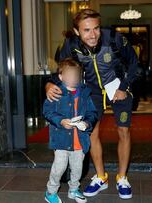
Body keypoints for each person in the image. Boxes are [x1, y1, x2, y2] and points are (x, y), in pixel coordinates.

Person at [45, 9, 138, 199]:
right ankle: (101, 177)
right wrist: (49, 84)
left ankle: (122, 177)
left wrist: (124, 87)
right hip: (92, 92)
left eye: (96, 28)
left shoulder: (115, 39)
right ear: (77, 31)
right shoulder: (71, 45)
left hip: (119, 87)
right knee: (91, 132)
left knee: (123, 130)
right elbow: (60, 71)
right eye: (86, 30)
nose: (93, 34)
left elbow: (135, 64)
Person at [43, 58, 98, 203]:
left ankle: (74, 189)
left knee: (77, 168)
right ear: (61, 76)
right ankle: (51, 192)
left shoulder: (85, 93)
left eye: (76, 75)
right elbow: (47, 111)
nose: (74, 78)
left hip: (79, 140)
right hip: (61, 139)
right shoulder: (56, 92)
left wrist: (86, 123)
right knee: (59, 167)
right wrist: (60, 121)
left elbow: (92, 113)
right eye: (70, 75)